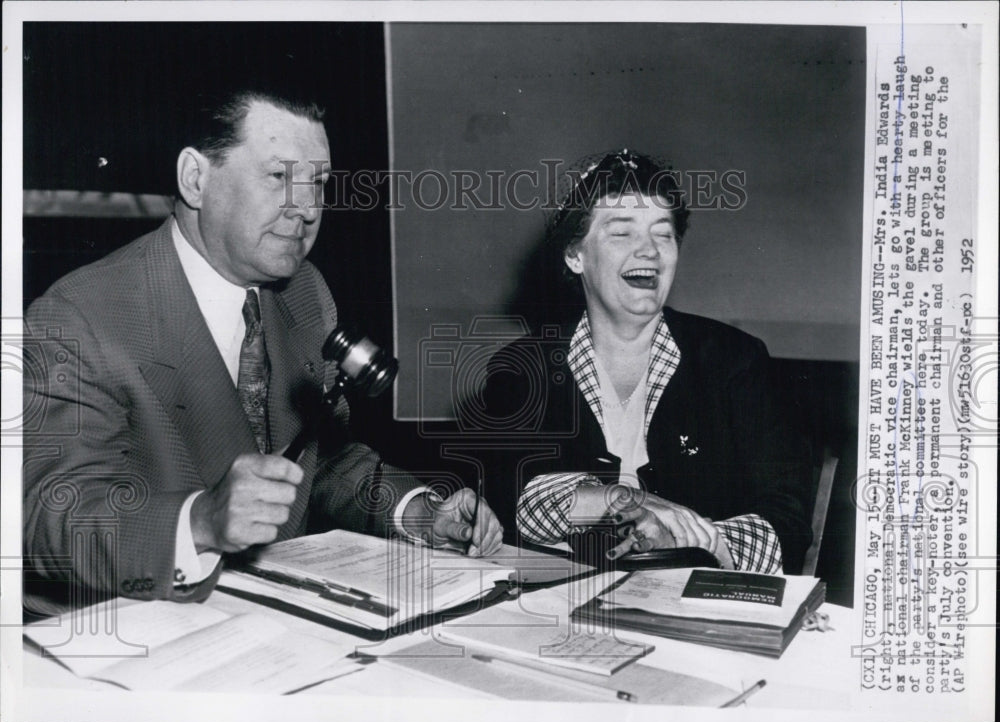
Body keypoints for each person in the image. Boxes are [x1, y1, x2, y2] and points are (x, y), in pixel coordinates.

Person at [22, 89, 503, 615]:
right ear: (195, 179)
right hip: (127, 624)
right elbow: (47, 514)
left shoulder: (305, 293)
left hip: (267, 617)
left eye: (318, 182)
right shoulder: (80, 314)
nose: (307, 207)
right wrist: (201, 521)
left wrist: (417, 513)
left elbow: (322, 461)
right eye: (279, 176)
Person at [483, 149, 812, 573]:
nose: (650, 252)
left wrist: (682, 537)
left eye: (663, 234)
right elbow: (514, 497)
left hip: (700, 602)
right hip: (560, 600)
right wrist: (624, 501)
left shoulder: (734, 361)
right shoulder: (521, 369)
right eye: (622, 233)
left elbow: (786, 520)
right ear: (575, 256)